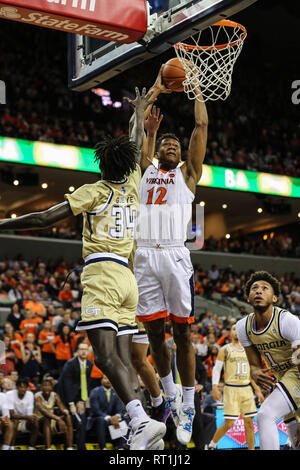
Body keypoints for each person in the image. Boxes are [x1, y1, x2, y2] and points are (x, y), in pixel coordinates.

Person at [0, 88, 166, 450]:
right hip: (128, 277)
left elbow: (45, 217)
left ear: (103, 166)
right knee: (124, 361)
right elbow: (135, 150)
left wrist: (2, 224)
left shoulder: (96, 190)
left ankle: (139, 419)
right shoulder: (134, 185)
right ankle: (143, 428)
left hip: (103, 274)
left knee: (105, 357)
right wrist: (137, 117)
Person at [132, 69, 208, 445]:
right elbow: (139, 129)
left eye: (176, 145)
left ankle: (190, 402)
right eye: (166, 144)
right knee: (155, 336)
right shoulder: (145, 169)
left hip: (177, 256)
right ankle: (171, 395)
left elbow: (201, 125)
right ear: (157, 150)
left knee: (183, 333)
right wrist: (154, 94)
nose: (172, 147)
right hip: (145, 255)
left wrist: (195, 90)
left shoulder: (188, 175)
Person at [236, 270, 300, 450]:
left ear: (275, 298)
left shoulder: (287, 321)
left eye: (265, 288)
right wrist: (255, 371)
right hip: (283, 378)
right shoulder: (243, 327)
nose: (259, 291)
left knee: (266, 414)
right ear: (248, 297)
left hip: (297, 373)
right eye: (254, 288)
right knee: (296, 443)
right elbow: (254, 364)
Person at [207, 322, 264, 450]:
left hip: (246, 389)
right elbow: (216, 369)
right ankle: (212, 444)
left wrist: (257, 390)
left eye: (238, 329)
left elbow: (251, 373)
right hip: (231, 389)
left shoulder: (250, 350)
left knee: (249, 423)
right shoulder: (225, 349)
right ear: (230, 333)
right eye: (234, 329)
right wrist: (214, 387)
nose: (236, 331)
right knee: (229, 423)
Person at [56, 341, 93, 450]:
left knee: (93, 417)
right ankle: (78, 447)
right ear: (77, 351)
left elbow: (91, 384)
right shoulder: (70, 364)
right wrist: (72, 403)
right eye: (81, 349)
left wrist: (86, 401)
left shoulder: (90, 364)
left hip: (85, 399)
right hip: (69, 400)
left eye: (85, 349)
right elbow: (67, 386)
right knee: (79, 419)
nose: (83, 351)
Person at [87, 374, 127, 450]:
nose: (108, 380)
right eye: (105, 378)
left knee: (124, 419)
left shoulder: (115, 392)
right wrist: (109, 418)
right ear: (101, 380)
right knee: (101, 421)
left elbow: (119, 409)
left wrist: (117, 416)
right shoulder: (95, 391)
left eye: (110, 379)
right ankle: (103, 447)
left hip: (112, 419)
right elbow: (96, 410)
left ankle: (121, 447)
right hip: (97, 418)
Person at [34, 378, 73, 450]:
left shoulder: (54, 395)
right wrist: (58, 418)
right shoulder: (37, 396)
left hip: (53, 419)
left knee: (68, 417)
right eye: (44, 386)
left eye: (49, 386)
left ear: (52, 387)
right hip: (39, 421)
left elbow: (61, 407)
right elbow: (43, 410)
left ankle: (69, 447)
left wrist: (65, 411)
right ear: (41, 387)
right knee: (46, 418)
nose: (46, 387)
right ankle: (48, 448)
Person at [6, 377, 39, 450]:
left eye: (25, 387)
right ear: (16, 387)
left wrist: (32, 418)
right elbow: (11, 415)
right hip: (13, 420)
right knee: (14, 422)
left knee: (35, 422)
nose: (23, 389)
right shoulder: (9, 394)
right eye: (21, 387)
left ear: (27, 388)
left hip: (25, 421)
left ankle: (31, 447)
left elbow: (29, 415)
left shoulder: (30, 395)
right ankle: (11, 447)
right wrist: (27, 417)